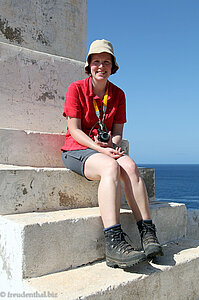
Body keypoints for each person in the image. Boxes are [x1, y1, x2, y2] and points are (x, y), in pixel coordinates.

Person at [61, 39, 163, 268]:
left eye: (106, 62)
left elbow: (117, 133)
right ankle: (114, 243)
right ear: (89, 65)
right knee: (111, 167)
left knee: (131, 166)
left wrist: (112, 146)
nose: (101, 66)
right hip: (77, 150)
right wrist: (98, 148)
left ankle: (148, 233)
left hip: (104, 149)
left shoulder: (118, 94)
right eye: (96, 61)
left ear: (112, 66)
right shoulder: (76, 89)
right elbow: (75, 131)